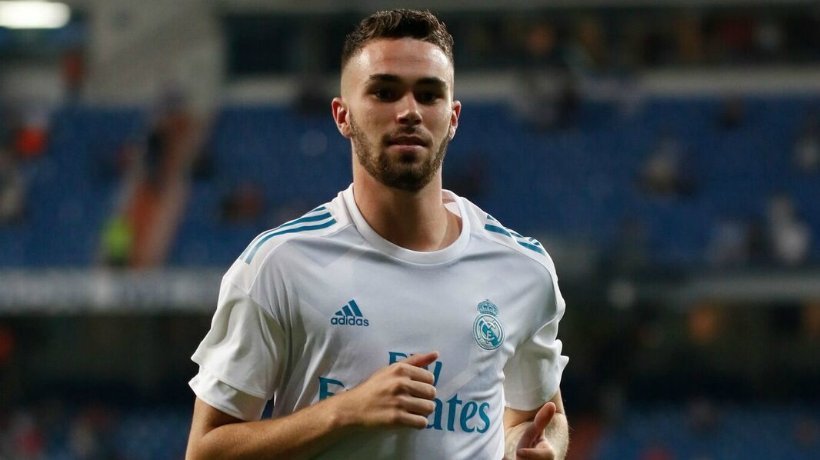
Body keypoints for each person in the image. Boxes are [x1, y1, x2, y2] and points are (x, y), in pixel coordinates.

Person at [185, 9, 569, 460]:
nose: (409, 111)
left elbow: (538, 416)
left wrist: (542, 449)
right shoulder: (279, 265)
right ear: (342, 115)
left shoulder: (523, 269)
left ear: (453, 117)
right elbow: (206, 450)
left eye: (429, 95)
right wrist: (343, 412)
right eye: (385, 92)